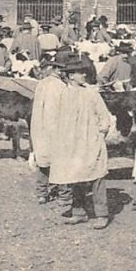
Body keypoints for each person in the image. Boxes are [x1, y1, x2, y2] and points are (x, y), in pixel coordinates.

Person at [50, 58, 112, 229]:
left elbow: (104, 117)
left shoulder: (91, 93)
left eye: (84, 72)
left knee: (97, 175)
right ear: (71, 76)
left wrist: (99, 135)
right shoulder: (63, 94)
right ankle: (79, 212)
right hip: (70, 142)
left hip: (91, 140)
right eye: (80, 72)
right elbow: (56, 118)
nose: (84, 74)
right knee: (75, 174)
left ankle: (101, 214)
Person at [30, 54, 72, 207]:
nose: (62, 72)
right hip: (56, 128)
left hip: (40, 127)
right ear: (55, 69)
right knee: (61, 162)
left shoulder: (41, 84)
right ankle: (64, 195)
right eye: (60, 69)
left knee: (43, 162)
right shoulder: (61, 87)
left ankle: (42, 193)